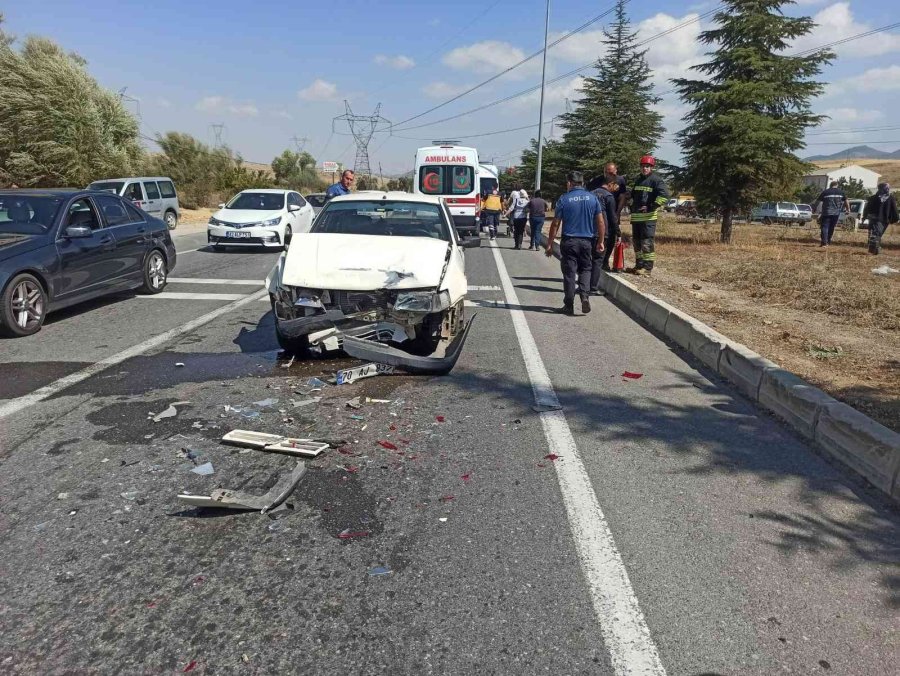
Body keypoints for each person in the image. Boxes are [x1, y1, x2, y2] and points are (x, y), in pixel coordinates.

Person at [545, 171, 606, 315]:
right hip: (587, 241)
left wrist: (549, 244)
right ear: (582, 182)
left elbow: (555, 224)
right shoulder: (592, 198)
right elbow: (601, 222)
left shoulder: (564, 199)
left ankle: (569, 304)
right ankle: (584, 296)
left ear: (569, 183)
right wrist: (601, 241)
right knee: (585, 269)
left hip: (569, 241)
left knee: (569, 273)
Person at [627, 155, 669, 275]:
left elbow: (664, 195)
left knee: (646, 243)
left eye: (647, 167)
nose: (645, 168)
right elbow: (634, 195)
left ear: (651, 168)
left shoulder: (656, 180)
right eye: (643, 166)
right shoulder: (638, 180)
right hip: (636, 218)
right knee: (637, 243)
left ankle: (647, 268)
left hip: (648, 219)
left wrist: (651, 206)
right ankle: (639, 265)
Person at [589, 176, 621, 294]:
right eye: (616, 185)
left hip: (588, 232)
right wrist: (618, 232)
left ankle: (583, 284)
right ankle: (592, 287)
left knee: (588, 259)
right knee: (598, 260)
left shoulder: (590, 194)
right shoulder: (609, 196)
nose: (617, 188)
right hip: (602, 232)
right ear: (610, 184)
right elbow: (612, 217)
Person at [862, 182, 898, 255]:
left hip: (878, 219)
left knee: (875, 234)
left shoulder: (875, 198)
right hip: (880, 219)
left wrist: (864, 217)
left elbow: (894, 209)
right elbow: (894, 209)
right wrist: (895, 218)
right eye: (887, 187)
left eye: (888, 187)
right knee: (876, 234)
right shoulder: (889, 198)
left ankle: (874, 249)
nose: (888, 189)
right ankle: (874, 250)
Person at [812, 180, 851, 247]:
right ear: (837, 185)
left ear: (830, 185)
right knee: (831, 227)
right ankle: (828, 241)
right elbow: (846, 201)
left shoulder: (826, 192)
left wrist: (814, 209)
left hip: (826, 212)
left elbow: (817, 201)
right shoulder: (841, 192)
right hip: (836, 213)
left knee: (825, 226)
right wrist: (848, 209)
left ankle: (824, 242)